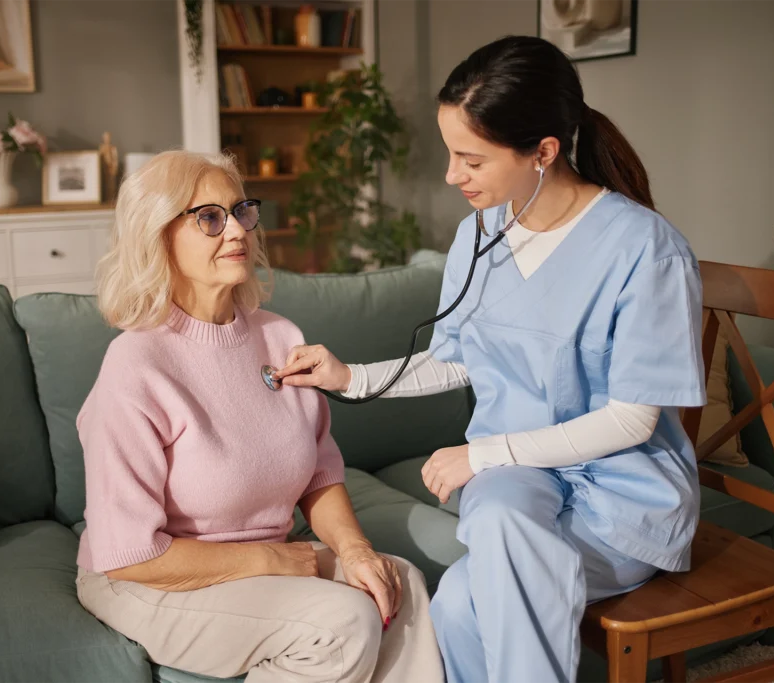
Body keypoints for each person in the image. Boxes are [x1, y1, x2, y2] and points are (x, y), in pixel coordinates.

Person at [273, 35, 706, 683]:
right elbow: (458, 359)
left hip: (621, 500)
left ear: (544, 152)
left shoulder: (645, 248)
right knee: (501, 518)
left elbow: (633, 419)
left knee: (459, 600)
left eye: (470, 159)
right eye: (452, 154)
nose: (452, 176)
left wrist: (484, 455)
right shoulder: (477, 233)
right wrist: (350, 377)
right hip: (520, 486)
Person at [74, 150, 445, 683]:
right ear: (158, 236)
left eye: (240, 211)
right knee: (344, 621)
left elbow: (320, 475)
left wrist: (356, 551)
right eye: (209, 217)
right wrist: (268, 560)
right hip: (146, 580)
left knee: (397, 585)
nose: (236, 231)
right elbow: (130, 554)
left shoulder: (278, 337)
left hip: (255, 562)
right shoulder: (136, 364)